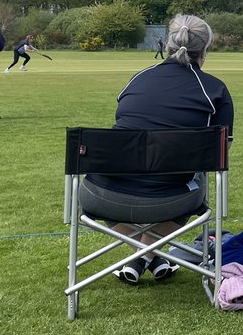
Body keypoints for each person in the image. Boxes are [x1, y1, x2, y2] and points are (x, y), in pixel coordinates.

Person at [78, 14, 234, 284]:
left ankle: (141, 256)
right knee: (196, 178)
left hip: (101, 195)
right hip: (171, 200)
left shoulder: (138, 79)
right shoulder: (214, 89)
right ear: (206, 49)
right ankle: (146, 253)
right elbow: (219, 154)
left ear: (169, 42)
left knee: (124, 179)